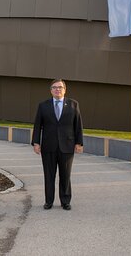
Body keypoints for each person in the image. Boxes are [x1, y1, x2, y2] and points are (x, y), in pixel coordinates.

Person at [31, 79, 84, 210]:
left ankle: (65, 201)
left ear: (65, 90)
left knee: (65, 175)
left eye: (60, 87)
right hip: (48, 146)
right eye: (54, 87)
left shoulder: (73, 104)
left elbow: (78, 125)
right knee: (49, 175)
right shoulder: (43, 105)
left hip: (67, 146)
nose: (57, 89)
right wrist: (36, 142)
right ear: (51, 90)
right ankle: (48, 201)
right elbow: (38, 125)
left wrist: (79, 143)